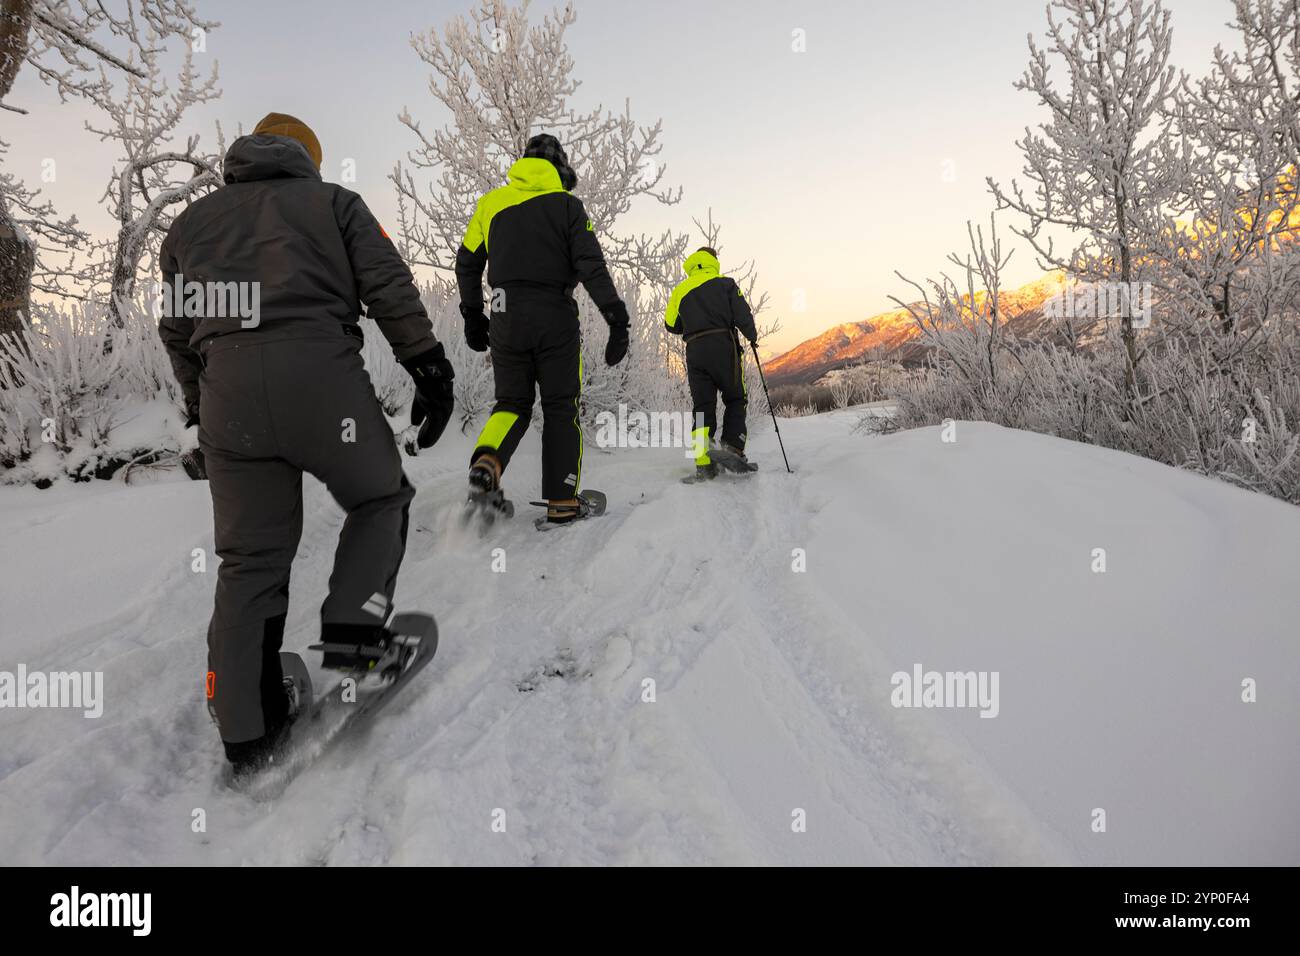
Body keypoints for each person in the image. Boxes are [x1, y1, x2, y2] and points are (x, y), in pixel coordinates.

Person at [157, 112, 455, 774]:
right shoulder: (334, 203)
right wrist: (428, 368)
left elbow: (176, 331)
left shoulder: (189, 226)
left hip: (229, 397)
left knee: (249, 560)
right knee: (379, 497)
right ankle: (357, 641)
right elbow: (387, 284)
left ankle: (245, 727)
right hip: (321, 382)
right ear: (307, 159)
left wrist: (199, 404)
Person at [454, 133, 629, 524]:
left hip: (504, 317)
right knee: (560, 408)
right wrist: (616, 318)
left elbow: (466, 263)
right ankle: (563, 501)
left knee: (511, 404)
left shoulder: (491, 203)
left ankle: (487, 463)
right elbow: (591, 265)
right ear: (560, 169)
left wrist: (473, 314)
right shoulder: (567, 206)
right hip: (555, 317)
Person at [663, 247, 758, 479]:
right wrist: (752, 336)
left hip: (695, 351)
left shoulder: (680, 290)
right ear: (713, 261)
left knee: (702, 407)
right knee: (735, 397)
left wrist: (693, 322)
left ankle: (703, 462)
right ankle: (732, 447)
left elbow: (670, 325)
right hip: (722, 345)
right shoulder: (725, 284)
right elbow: (742, 314)